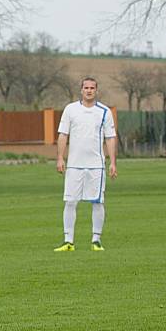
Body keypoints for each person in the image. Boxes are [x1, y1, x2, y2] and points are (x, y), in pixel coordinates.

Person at [54, 76, 117, 252]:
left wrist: (112, 162)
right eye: (86, 87)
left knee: (97, 202)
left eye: (92, 88)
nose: (89, 90)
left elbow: (110, 138)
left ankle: (96, 240)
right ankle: (68, 241)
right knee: (70, 201)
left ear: (96, 90)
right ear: (81, 90)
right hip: (74, 165)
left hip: (97, 165)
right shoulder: (70, 110)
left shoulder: (104, 112)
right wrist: (60, 158)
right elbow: (63, 135)